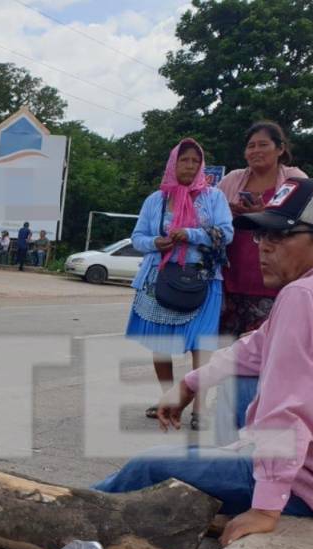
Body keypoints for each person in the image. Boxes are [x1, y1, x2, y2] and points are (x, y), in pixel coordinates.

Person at [94, 178, 313, 546]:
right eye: (262, 236)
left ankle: (69, 515)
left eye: (280, 236)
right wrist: (190, 384)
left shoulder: (307, 295)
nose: (264, 248)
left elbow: (291, 410)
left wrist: (266, 507)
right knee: (238, 385)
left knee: (149, 466)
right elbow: (258, 346)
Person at [126, 138, 233, 431]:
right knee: (160, 345)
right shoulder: (156, 200)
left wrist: (191, 234)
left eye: (195, 161)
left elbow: (226, 233)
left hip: (203, 279)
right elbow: (137, 238)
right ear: (173, 164)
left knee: (202, 345)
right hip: (160, 279)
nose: (189, 165)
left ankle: (200, 408)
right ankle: (168, 399)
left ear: (201, 166)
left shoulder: (213, 197)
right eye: (184, 160)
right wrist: (155, 242)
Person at [218, 121, 307, 338]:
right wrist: (226, 215)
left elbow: (306, 224)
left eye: (263, 145)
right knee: (226, 355)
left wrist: (266, 214)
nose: (256, 150)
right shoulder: (232, 180)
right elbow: (207, 216)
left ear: (280, 149)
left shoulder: (295, 180)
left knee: (265, 352)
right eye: (251, 146)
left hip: (274, 282)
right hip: (231, 280)